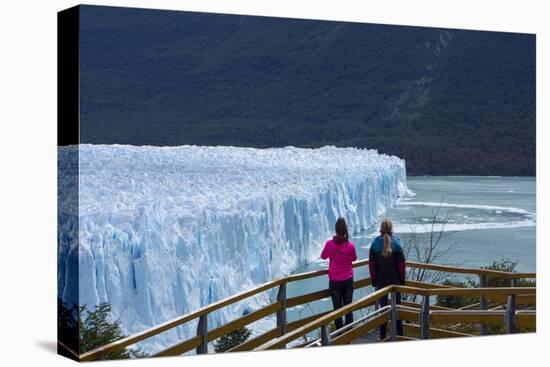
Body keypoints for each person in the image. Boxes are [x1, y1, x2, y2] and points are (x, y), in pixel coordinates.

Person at [368, 219, 406, 340]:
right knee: (397, 308)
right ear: (391, 229)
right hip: (395, 281)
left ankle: (382, 336)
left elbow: (372, 265)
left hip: (381, 280)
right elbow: (401, 264)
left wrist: (374, 280)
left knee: (383, 309)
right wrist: (402, 280)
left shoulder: (374, 244)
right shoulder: (397, 244)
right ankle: (400, 335)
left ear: (381, 229)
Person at [320, 217, 357, 330]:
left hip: (335, 282)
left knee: (337, 310)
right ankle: (349, 336)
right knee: (348, 308)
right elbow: (354, 258)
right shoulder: (350, 245)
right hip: (348, 281)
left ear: (335, 230)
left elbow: (323, 256)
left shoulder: (329, 244)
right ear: (345, 230)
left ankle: (339, 336)